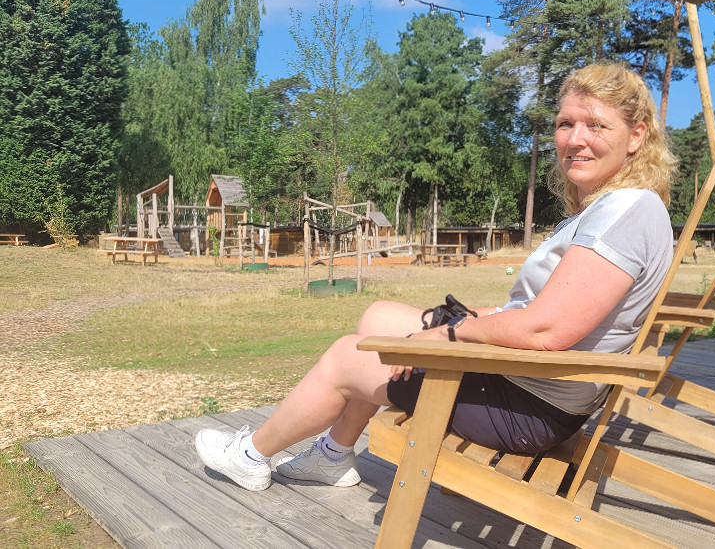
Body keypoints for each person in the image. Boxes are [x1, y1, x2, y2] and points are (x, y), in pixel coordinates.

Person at [195, 63, 679, 491]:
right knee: (379, 315)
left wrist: (454, 332)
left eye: (596, 125)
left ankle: (250, 455)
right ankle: (333, 455)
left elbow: (547, 331)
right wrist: (478, 319)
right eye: (565, 123)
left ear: (636, 135)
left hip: (529, 406)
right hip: (529, 380)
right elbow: (549, 312)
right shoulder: (621, 206)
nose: (575, 139)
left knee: (347, 357)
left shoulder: (626, 210)